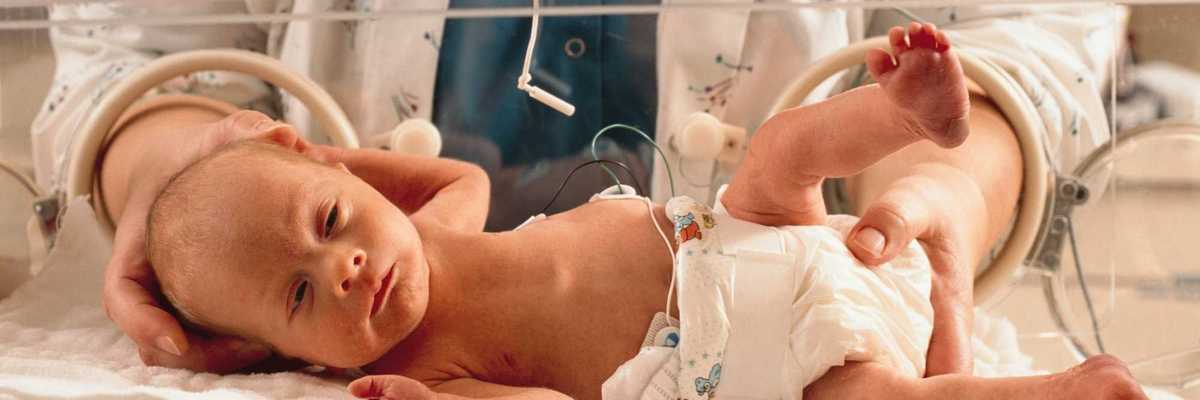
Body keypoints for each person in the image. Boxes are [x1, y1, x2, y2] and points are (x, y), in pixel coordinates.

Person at [32, 0, 1123, 384]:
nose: (347, 266)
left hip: (747, 228)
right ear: (286, 357)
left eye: (329, 226)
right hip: (728, 362)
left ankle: (901, 109)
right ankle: (1059, 396)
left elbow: (1034, 28)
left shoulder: (429, 222)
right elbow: (136, 42)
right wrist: (163, 152)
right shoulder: (425, 354)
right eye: (302, 299)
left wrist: (946, 183)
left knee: (786, 155)